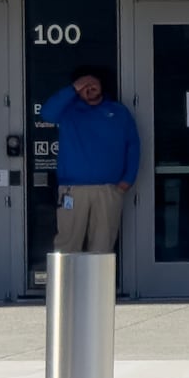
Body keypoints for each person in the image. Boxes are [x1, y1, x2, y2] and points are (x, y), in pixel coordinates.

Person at [43, 68, 140, 257]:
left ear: (102, 85)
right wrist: (72, 89)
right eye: (83, 85)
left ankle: (98, 280)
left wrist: (127, 179)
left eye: (93, 83)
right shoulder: (67, 111)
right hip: (73, 190)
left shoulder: (119, 112)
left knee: (103, 247)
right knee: (67, 245)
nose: (89, 88)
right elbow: (47, 113)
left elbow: (133, 146)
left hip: (108, 189)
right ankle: (66, 279)